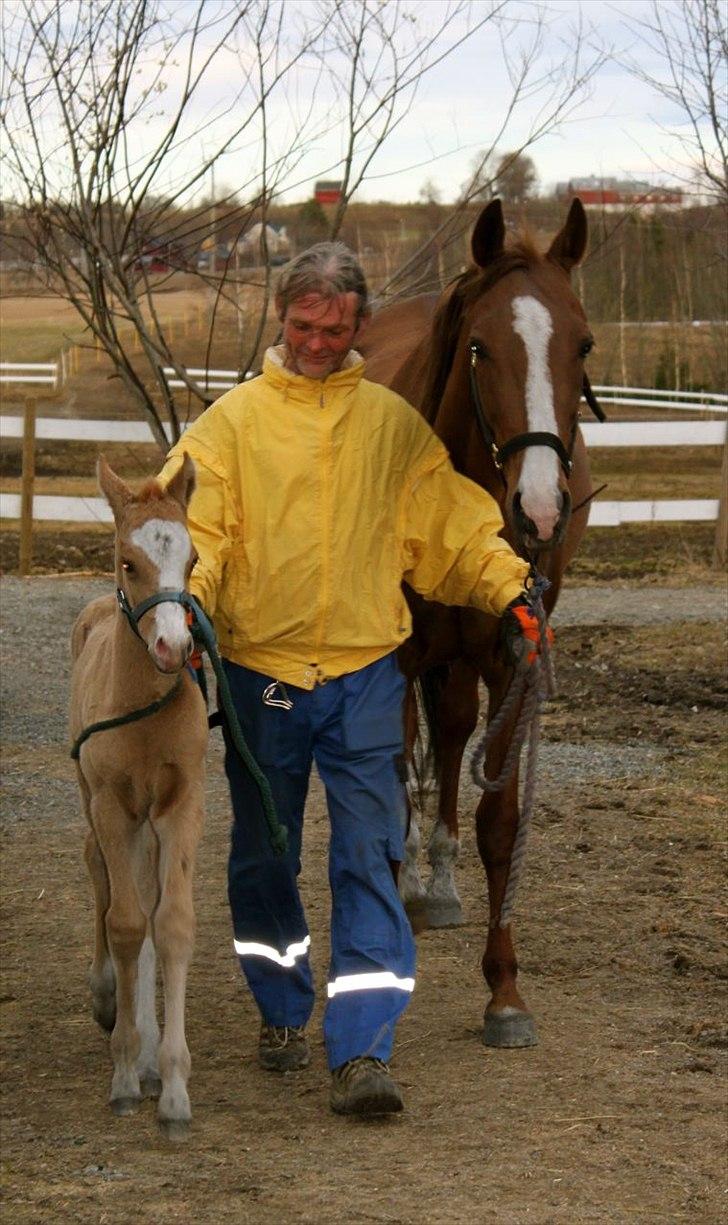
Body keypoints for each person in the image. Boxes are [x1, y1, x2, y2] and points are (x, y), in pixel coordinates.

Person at [159, 242, 539, 1117]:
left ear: (360, 324)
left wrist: (512, 590)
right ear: (280, 320)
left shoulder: (390, 429)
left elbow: (452, 529)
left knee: (370, 854)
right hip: (265, 677)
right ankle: (283, 1006)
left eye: (336, 327)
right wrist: (192, 614)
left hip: (368, 672)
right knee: (265, 859)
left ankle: (363, 1048)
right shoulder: (231, 427)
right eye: (304, 325)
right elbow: (198, 540)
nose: (320, 342)